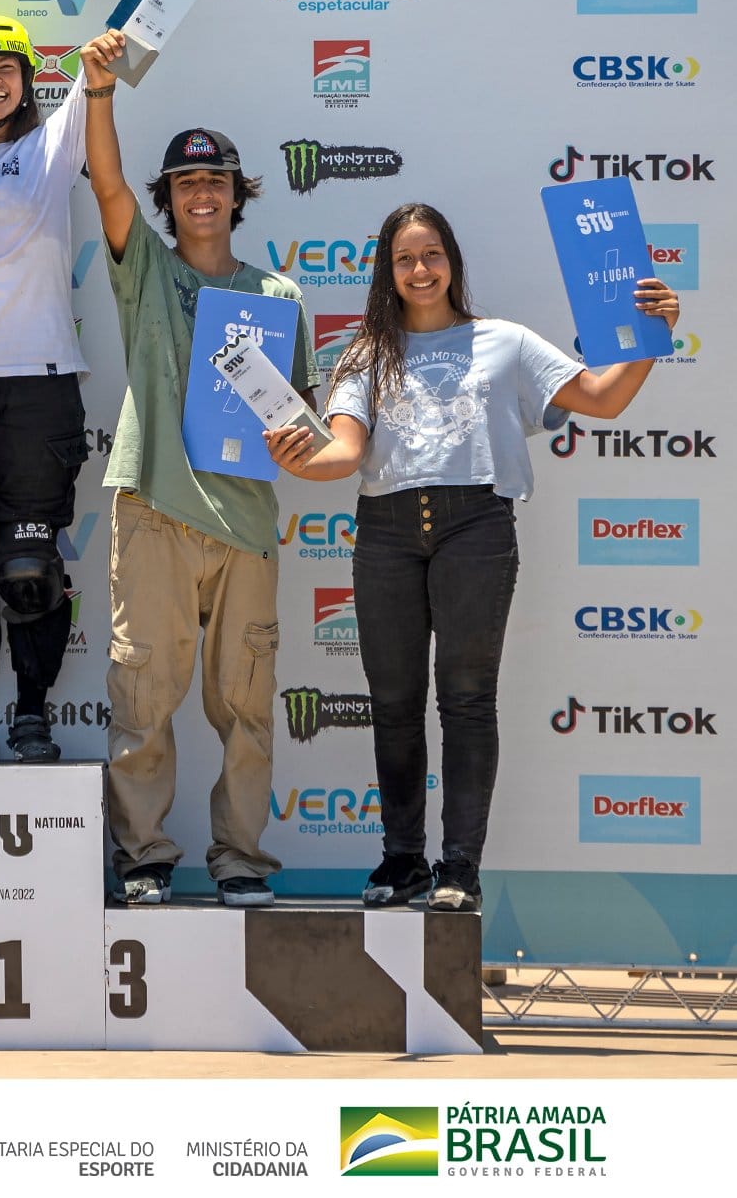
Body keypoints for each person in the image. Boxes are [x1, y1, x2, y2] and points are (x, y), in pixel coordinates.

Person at [266, 203, 681, 912]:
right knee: (394, 705)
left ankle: (459, 867)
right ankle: (403, 862)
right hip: (388, 532)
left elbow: (603, 399)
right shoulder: (366, 352)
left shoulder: (506, 342)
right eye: (404, 258)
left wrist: (652, 334)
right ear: (386, 271)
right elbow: (343, 452)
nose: (420, 269)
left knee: (464, 701)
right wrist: (297, 460)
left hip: (477, 527)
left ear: (452, 261)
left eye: (432, 255)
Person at [0, 0, 183, 766]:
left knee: (30, 569)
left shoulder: (55, 136)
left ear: (28, 77)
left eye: (6, 65)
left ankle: (30, 715)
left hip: (38, 383)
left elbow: (117, 53)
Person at [80, 27, 319, 907]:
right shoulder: (141, 266)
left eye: (215, 181)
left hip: (248, 523)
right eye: (186, 184)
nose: (202, 195)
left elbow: (302, 420)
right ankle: (145, 856)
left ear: (236, 194)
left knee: (249, 711)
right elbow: (105, 183)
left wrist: (307, 445)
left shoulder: (280, 296)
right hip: (154, 510)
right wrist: (101, 93)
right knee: (143, 698)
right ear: (169, 199)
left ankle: (240, 861)